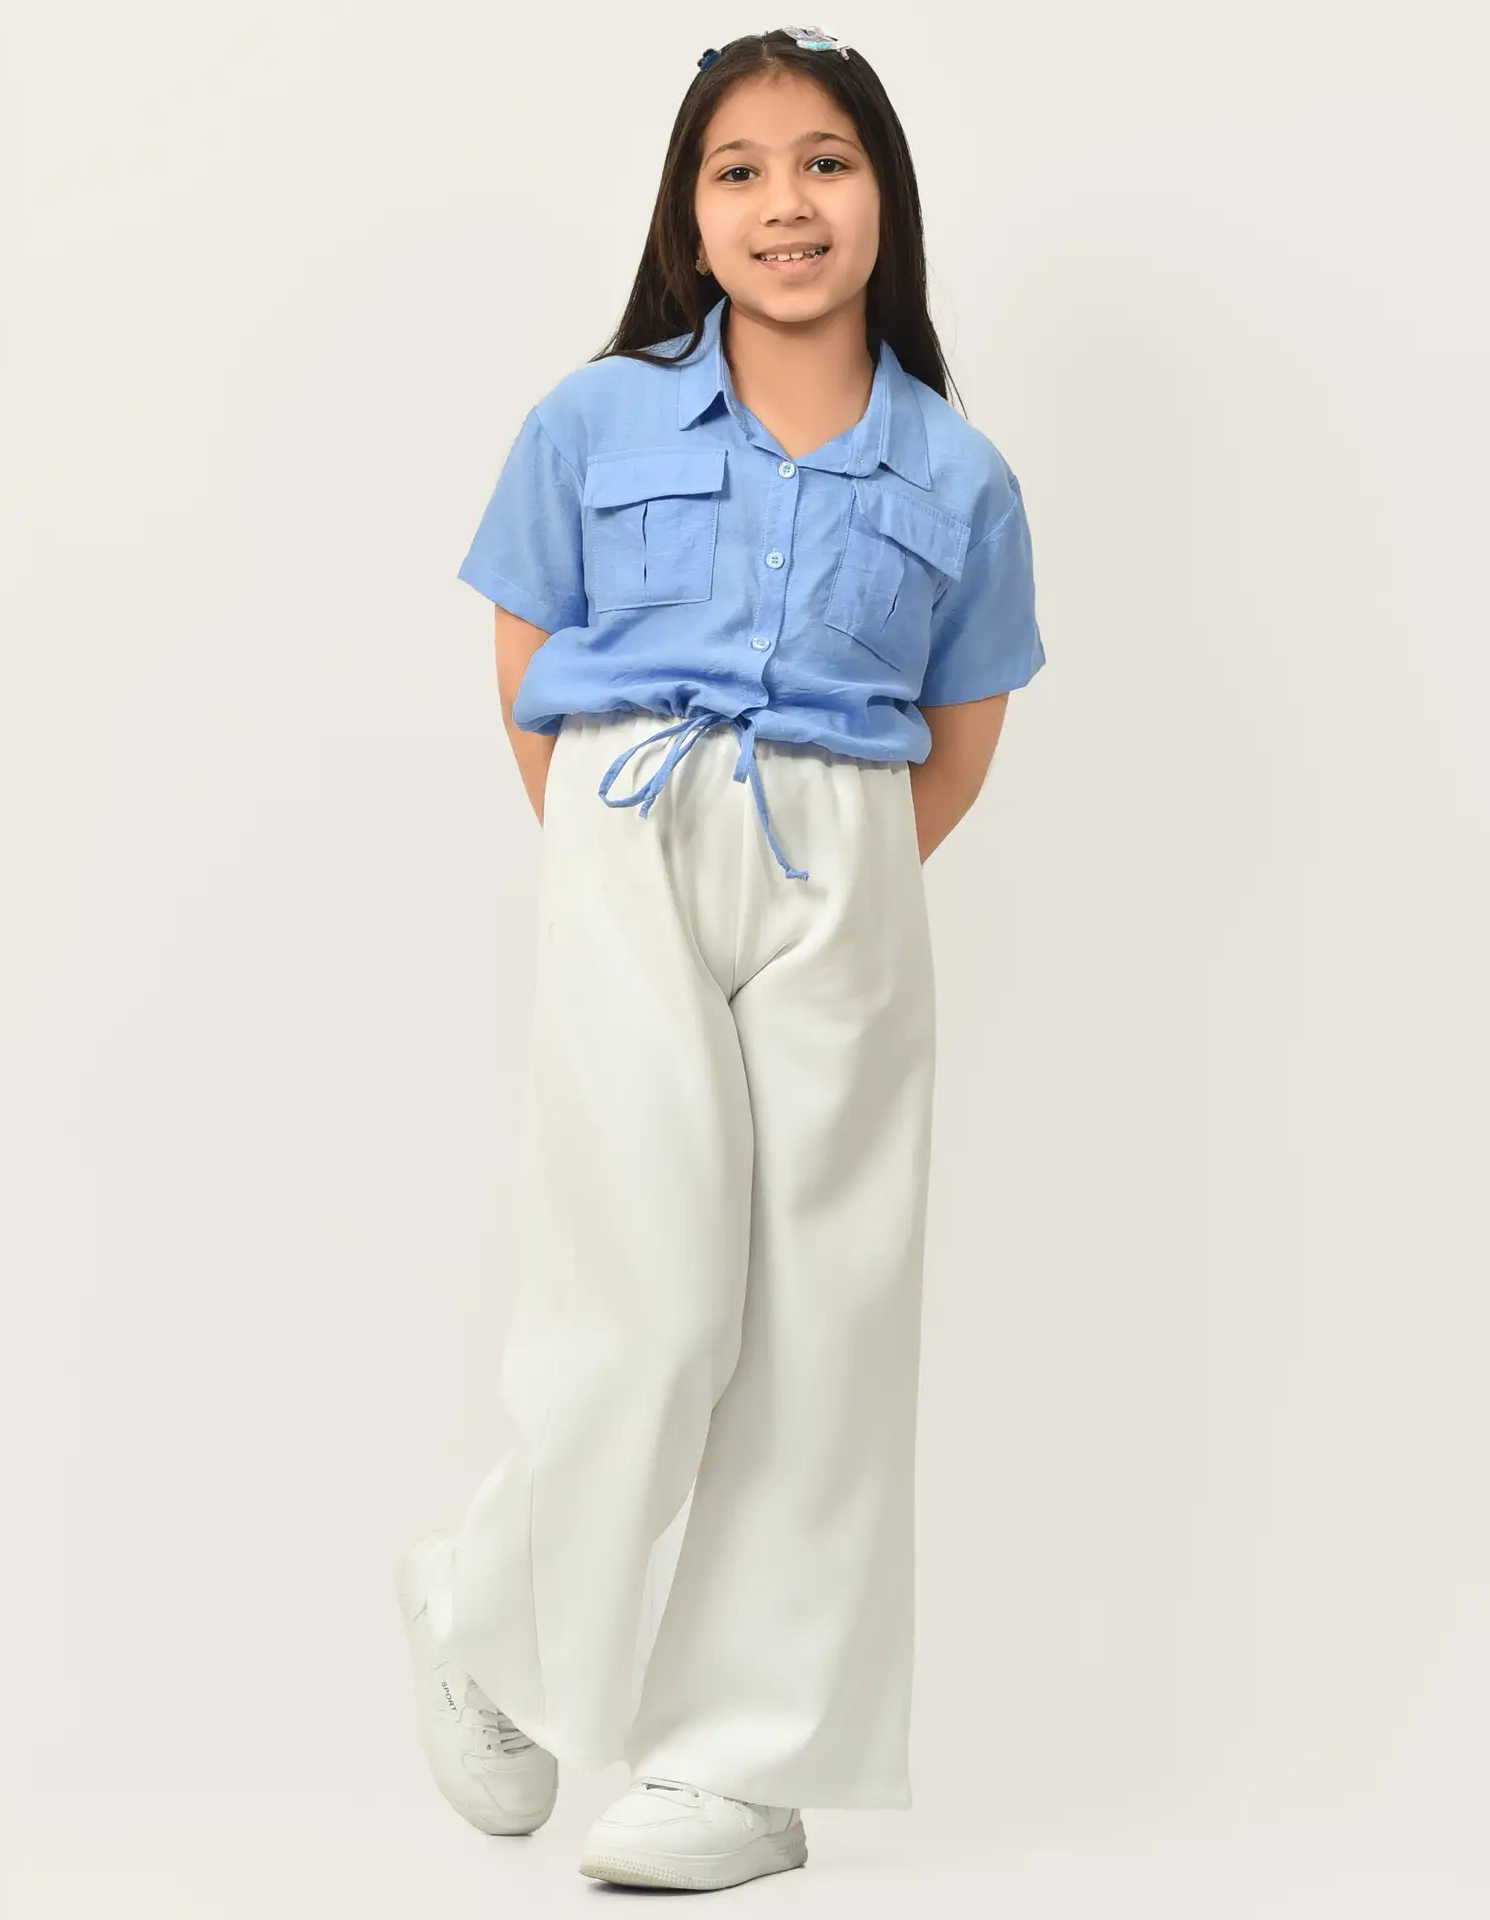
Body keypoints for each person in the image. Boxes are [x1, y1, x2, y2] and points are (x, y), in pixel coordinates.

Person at [394, 24, 1045, 1893]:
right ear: (690, 216)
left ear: (884, 197)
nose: (786, 203)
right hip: (629, 824)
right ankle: (489, 1615)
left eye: (826, 161)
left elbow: (962, 735)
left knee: (829, 1311)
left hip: (846, 860)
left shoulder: (961, 471)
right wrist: (614, 852)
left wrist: (841, 872)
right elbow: (526, 651)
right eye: (740, 169)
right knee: (656, 1284)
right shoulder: (592, 420)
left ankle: (743, 1768)